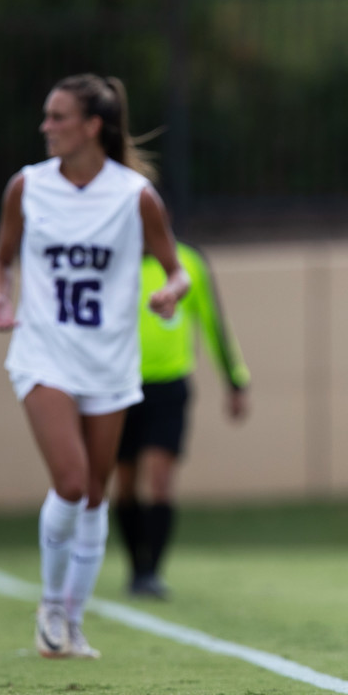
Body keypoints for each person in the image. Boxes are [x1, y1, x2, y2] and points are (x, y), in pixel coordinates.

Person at [0, 74, 189, 660]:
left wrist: (171, 292)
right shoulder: (26, 187)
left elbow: (175, 268)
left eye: (57, 117)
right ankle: (50, 605)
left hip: (110, 362)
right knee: (71, 483)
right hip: (44, 354)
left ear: (91, 126)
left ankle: (71, 623)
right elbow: (1, 262)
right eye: (46, 116)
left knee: (96, 494)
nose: (46, 127)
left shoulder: (134, 195)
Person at [113, 242, 251, 598]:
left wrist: (234, 380)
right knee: (125, 484)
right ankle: (135, 565)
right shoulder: (112, 255)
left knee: (160, 480)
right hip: (117, 386)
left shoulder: (188, 262)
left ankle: (152, 572)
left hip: (169, 388)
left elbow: (212, 322)